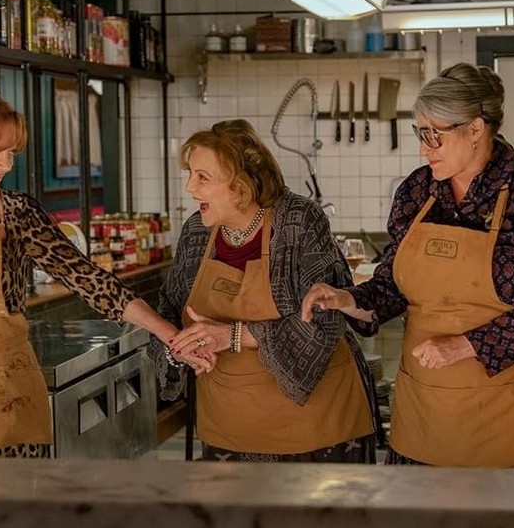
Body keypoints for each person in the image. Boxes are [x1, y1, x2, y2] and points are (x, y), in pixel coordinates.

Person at [0, 88, 209, 458]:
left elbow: (90, 281)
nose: (5, 164)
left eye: (10, 152)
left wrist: (173, 336)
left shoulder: (16, 214)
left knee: (18, 516)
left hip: (11, 404)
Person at [301, 63, 514, 467]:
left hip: (510, 411)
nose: (424, 147)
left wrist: (465, 346)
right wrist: (344, 298)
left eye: (435, 134)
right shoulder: (416, 191)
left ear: (475, 129)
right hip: (425, 411)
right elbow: (392, 287)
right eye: (421, 132)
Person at [155, 119, 377, 463]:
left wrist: (231, 336)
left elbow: (327, 318)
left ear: (240, 186)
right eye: (190, 174)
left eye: (202, 177)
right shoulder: (197, 231)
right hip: (228, 429)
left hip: (315, 428)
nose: (189, 187)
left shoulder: (299, 221)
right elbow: (168, 308)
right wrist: (177, 348)